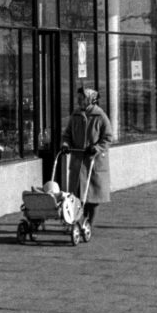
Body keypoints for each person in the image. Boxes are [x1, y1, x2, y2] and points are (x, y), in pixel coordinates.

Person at [61, 87, 112, 229]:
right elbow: (67, 135)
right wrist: (65, 144)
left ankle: (89, 224)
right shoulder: (75, 115)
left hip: (93, 162)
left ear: (89, 99)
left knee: (92, 198)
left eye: (81, 98)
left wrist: (96, 148)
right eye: (78, 98)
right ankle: (76, 222)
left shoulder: (100, 116)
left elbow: (108, 138)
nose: (78, 100)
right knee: (76, 196)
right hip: (78, 161)